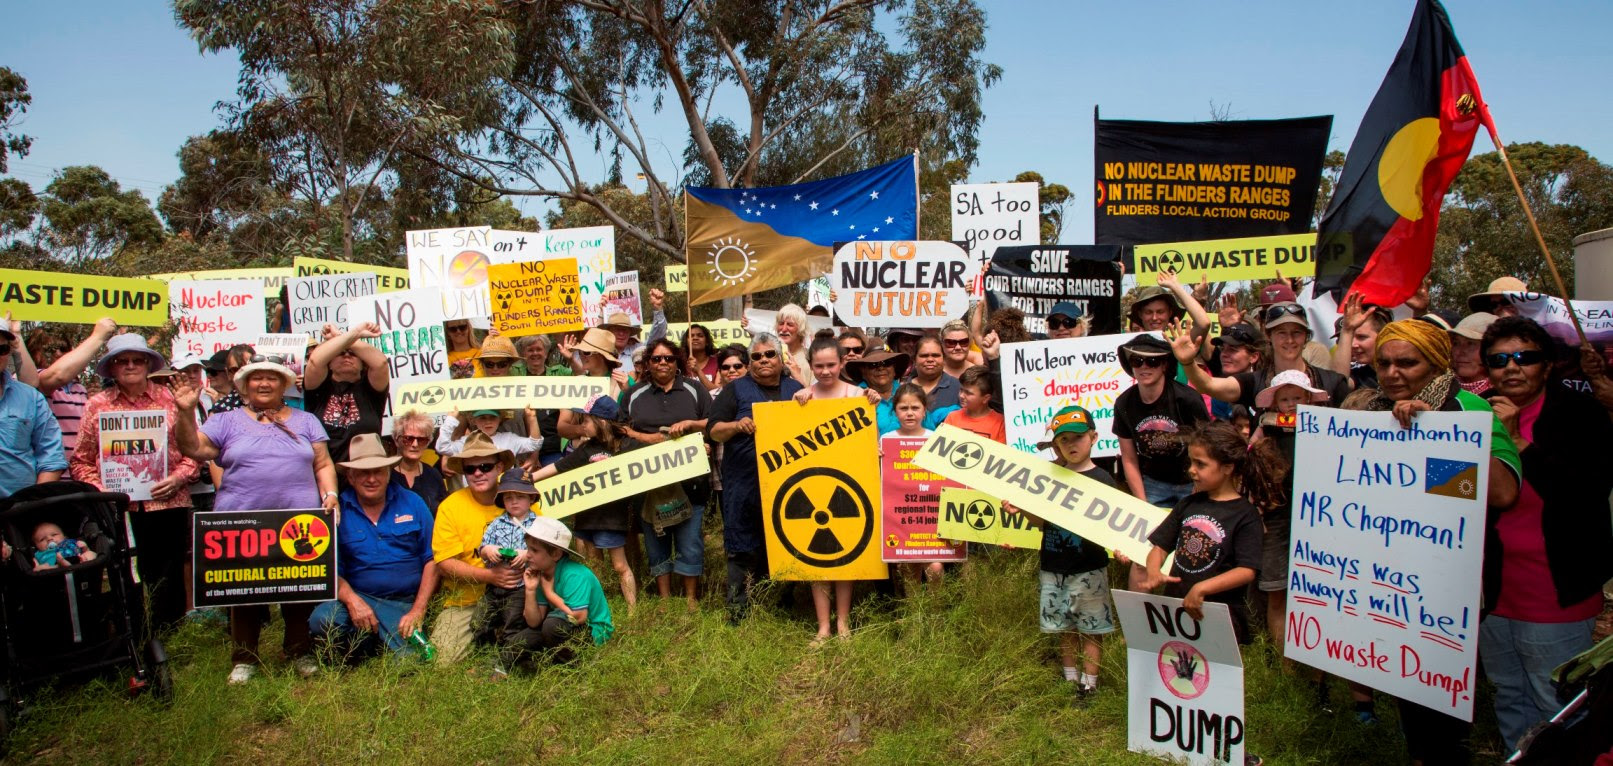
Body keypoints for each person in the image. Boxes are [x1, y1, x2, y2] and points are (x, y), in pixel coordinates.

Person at [1358, 318, 1523, 765]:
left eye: (1407, 363)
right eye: (1385, 362)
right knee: (1410, 687)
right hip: (1397, 575)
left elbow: (1504, 493)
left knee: (1441, 699)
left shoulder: (1469, 409)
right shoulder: (1374, 411)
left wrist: (1435, 446)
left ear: (1435, 363)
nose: (1393, 373)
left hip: (1455, 579)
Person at [1478, 316, 1613, 753]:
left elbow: (1585, 492)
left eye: (1525, 357)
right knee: (1510, 697)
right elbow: (1454, 487)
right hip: (1494, 593)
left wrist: (1521, 443)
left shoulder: (1581, 413)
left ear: (1548, 365)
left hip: (1556, 592)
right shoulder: (1477, 417)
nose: (1511, 368)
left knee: (1557, 708)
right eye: (1498, 360)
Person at [173, 353, 337, 684]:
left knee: (299, 588)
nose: (264, 383)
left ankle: (299, 650)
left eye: (272, 377)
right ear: (245, 384)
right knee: (244, 591)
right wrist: (184, 411)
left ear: (284, 384)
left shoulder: (306, 421)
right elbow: (193, 448)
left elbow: (322, 463)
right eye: (256, 377)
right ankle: (244, 658)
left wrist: (330, 494)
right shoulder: (225, 420)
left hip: (297, 521)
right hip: (240, 521)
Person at [70, 334, 199, 629]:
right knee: (126, 574)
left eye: (137, 360)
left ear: (147, 364)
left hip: (168, 502)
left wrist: (178, 477)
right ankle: (133, 635)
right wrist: (104, 493)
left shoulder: (172, 399)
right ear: (111, 367)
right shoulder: (96, 405)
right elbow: (81, 462)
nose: (130, 365)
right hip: (119, 510)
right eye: (122, 360)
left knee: (168, 574)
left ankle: (170, 638)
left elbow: (195, 452)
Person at [1003, 406, 1117, 700]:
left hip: (1089, 568)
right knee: (1063, 627)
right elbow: (1040, 522)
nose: (1070, 445)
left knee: (1092, 629)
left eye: (1077, 438)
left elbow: (1112, 527)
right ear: (1055, 445)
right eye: (1063, 440)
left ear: (1093, 437)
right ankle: (1070, 680)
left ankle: (1090, 685)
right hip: (1053, 566)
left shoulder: (1103, 479)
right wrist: (1021, 507)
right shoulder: (1049, 477)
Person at [1141, 421, 1279, 644]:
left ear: (1227, 467)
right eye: (1191, 462)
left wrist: (1202, 588)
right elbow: (1159, 547)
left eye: (1200, 464)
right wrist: (1154, 569)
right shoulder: (1187, 504)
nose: (1191, 470)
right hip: (1177, 608)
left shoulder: (1245, 515)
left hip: (1221, 615)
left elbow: (1247, 570)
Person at [309, 433, 438, 663]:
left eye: (378, 471)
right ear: (350, 475)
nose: (371, 479)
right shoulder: (338, 512)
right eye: (363, 472)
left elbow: (432, 559)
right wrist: (352, 601)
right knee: (322, 619)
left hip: (405, 601)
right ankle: (367, 640)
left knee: (413, 661)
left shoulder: (413, 503)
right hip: (360, 597)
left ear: (388, 473)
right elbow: (330, 569)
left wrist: (418, 609)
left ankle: (378, 640)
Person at [707, 333, 804, 619]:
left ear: (780, 358)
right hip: (744, 483)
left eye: (769, 355)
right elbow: (713, 430)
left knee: (786, 541)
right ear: (750, 363)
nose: (763, 361)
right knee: (742, 546)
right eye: (757, 357)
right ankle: (738, 609)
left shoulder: (796, 389)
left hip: (788, 483)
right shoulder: (736, 390)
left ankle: (781, 605)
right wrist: (737, 425)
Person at [791, 337, 880, 641]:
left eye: (831, 365)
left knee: (845, 556)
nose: (825, 371)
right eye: (819, 366)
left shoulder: (860, 396)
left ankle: (842, 623)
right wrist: (798, 404)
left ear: (843, 363)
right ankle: (823, 626)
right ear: (811, 366)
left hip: (849, 484)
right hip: (813, 484)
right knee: (817, 559)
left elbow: (872, 440)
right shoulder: (801, 397)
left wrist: (871, 404)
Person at [620, 338, 710, 609]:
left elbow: (712, 421)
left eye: (668, 358)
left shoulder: (694, 390)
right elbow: (620, 431)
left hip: (690, 481)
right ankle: (665, 598)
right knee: (656, 539)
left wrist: (693, 426)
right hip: (649, 483)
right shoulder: (634, 395)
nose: (662, 363)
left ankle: (691, 599)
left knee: (690, 538)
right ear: (648, 363)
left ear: (677, 362)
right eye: (657, 358)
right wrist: (650, 439)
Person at [527, 395, 638, 607]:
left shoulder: (627, 445)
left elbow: (656, 457)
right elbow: (559, 466)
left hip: (612, 518)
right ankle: (600, 604)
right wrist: (527, 479)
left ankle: (633, 612)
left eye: (586, 420)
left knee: (619, 566)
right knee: (595, 564)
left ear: (602, 422)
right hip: (587, 516)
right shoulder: (586, 449)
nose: (582, 425)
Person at [430, 432, 520, 663]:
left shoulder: (519, 499)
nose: (478, 473)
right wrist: (490, 576)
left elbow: (542, 544)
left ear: (499, 467)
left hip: (519, 593)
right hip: (467, 601)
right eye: (471, 469)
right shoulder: (450, 507)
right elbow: (444, 564)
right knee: (443, 661)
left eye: (485, 466)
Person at [1175, 305, 1353, 415]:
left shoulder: (1330, 382)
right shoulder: (1254, 382)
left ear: (1306, 337)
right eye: (1281, 333)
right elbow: (1208, 385)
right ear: (1269, 336)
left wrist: (1347, 332)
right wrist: (1187, 362)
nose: (1289, 340)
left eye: (1296, 333)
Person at [502, 516, 613, 669]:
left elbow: (578, 617)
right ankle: (526, 667)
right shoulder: (542, 573)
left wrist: (550, 594)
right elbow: (534, 622)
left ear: (555, 554)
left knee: (552, 626)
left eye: (534, 550)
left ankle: (575, 666)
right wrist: (530, 589)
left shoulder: (574, 575)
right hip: (562, 626)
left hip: (591, 631)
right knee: (517, 642)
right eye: (528, 548)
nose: (527, 555)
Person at [1113, 335, 1209, 507]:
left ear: (1164, 365)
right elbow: (1129, 457)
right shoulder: (1123, 403)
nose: (1144, 366)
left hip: (1192, 480)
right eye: (1137, 360)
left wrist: (1200, 487)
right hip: (1152, 482)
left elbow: (1208, 446)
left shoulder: (1188, 399)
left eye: (1152, 361)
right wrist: (1142, 503)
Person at [480, 468, 541, 668]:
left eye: (520, 497)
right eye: (508, 497)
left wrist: (527, 555)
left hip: (520, 586)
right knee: (480, 621)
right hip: (494, 586)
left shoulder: (538, 524)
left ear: (531, 498)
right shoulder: (497, 524)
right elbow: (482, 547)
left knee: (511, 624)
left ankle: (507, 663)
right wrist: (488, 550)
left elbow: (547, 555)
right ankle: (483, 654)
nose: (514, 501)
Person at [31, 317, 116, 458]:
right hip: (49, 474)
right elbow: (57, 375)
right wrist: (98, 336)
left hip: (78, 472)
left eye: (63, 349)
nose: (58, 354)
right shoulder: (31, 381)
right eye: (49, 349)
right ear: (35, 352)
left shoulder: (79, 388)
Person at [304, 322, 389, 462]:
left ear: (363, 363)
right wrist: (351, 335)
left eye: (353, 353)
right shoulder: (318, 387)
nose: (347, 356)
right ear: (329, 362)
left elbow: (380, 363)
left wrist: (339, 337)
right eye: (340, 353)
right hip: (325, 474)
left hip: (366, 473)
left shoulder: (371, 389)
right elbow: (314, 361)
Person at [0, 331, 66, 498]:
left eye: (1, 349)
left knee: (50, 526)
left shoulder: (31, 398)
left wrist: (36, 506)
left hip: (22, 510)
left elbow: (52, 458)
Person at [559, 327, 628, 440]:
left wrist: (628, 393)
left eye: (586, 352)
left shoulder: (624, 382)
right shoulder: (576, 383)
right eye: (580, 351)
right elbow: (562, 427)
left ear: (602, 356)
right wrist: (586, 429)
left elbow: (632, 422)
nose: (581, 355)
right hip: (582, 450)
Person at [1329, 292, 1394, 391]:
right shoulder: (1361, 376)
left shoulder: (1407, 367)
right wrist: (1347, 331)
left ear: (1383, 335)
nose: (1353, 345)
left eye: (1362, 337)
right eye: (1350, 338)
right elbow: (1337, 384)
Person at [598, 287, 668, 377]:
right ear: (609, 331)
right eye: (617, 329)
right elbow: (595, 338)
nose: (621, 333)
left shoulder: (638, 351)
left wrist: (658, 309)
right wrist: (601, 311)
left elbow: (658, 337)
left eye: (625, 330)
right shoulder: (600, 353)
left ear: (630, 333)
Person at [389, 409, 448, 513]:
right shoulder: (387, 475)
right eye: (408, 439)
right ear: (396, 440)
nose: (415, 444)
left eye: (421, 440)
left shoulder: (433, 475)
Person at [844, 350, 911, 434]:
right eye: (873, 365)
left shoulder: (910, 393)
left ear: (894, 370)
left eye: (886, 363)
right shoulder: (853, 397)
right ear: (863, 372)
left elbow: (928, 429)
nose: (880, 368)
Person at [942, 366, 1005, 443]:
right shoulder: (952, 417)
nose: (961, 395)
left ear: (986, 398)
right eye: (961, 390)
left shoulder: (1000, 422)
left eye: (968, 393)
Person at [1450, 312, 1498, 396]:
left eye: (1470, 343)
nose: (1460, 352)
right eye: (1456, 343)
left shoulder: (1506, 395)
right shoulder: (1439, 391)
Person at [907, 336, 960, 411]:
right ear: (914, 360)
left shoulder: (958, 387)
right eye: (924, 356)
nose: (930, 359)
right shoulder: (902, 388)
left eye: (935, 355)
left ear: (944, 359)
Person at [772, 303, 812, 385]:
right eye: (781, 323)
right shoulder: (770, 355)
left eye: (790, 325)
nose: (783, 329)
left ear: (801, 328)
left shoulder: (810, 358)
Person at [29, 521, 94, 570]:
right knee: (40, 568)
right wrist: (38, 567)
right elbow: (36, 566)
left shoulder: (69, 543)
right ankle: (62, 564)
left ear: (64, 537)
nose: (49, 539)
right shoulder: (38, 554)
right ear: (36, 545)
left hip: (77, 560)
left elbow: (81, 551)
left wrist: (85, 548)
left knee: (90, 553)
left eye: (54, 535)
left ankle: (84, 560)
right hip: (53, 568)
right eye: (42, 539)